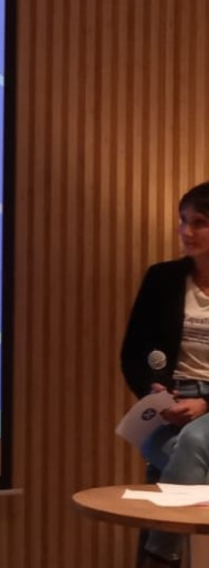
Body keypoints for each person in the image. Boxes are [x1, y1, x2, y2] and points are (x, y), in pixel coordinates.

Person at [122, 182, 209, 568]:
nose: (186, 232)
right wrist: (152, 391)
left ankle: (159, 556)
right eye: (183, 221)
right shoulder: (162, 278)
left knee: (190, 445)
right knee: (177, 459)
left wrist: (205, 402)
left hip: (205, 406)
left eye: (199, 223)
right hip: (171, 406)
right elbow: (132, 354)